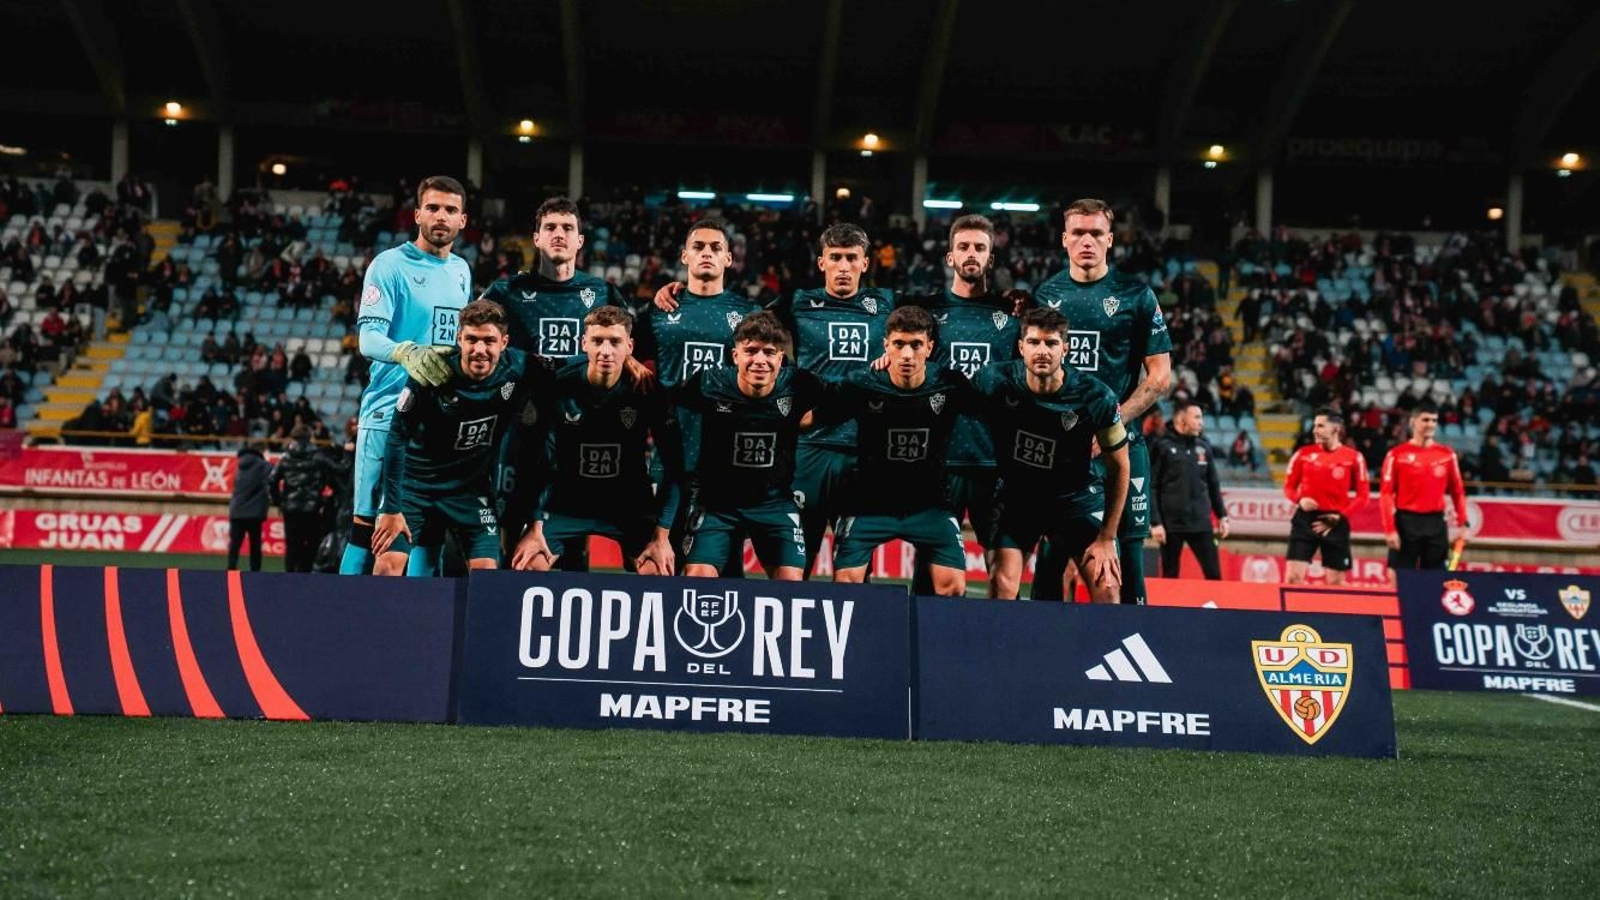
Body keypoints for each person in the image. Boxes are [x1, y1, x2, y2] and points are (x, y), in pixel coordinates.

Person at [1032, 198, 1172, 604]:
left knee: (1127, 559)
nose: (1087, 241)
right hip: (1061, 451)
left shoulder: (1136, 295)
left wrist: (1111, 422)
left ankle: (1132, 655)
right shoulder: (1047, 294)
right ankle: (1041, 655)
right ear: (1064, 239)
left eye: (1096, 233)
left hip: (1123, 448)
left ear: (1110, 240)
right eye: (1078, 233)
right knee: (1052, 554)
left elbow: (1159, 378)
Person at [339, 175, 474, 575]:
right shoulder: (390, 265)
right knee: (368, 528)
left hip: (437, 419)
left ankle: (416, 626)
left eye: (450, 210)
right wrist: (404, 350)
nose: (440, 216)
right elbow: (368, 339)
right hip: (388, 414)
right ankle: (340, 625)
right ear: (417, 214)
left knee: (427, 529)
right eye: (432, 207)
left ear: (463, 220)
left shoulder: (462, 271)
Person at [509, 306, 681, 575]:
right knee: (527, 566)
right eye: (598, 341)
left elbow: (673, 464)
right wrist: (533, 525)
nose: (605, 351)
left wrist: (661, 535)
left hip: (628, 504)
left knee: (657, 572)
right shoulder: (556, 383)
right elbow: (533, 456)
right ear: (584, 344)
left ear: (630, 346)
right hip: (565, 503)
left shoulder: (648, 390)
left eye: (615, 342)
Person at [972, 308, 1129, 602]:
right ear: (1021, 347)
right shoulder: (994, 379)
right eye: (1033, 342)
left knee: (1108, 589)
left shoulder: (1095, 396)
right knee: (1001, 586)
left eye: (1051, 343)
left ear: (1065, 348)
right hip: (1017, 502)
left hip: (1075, 502)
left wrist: (1107, 537)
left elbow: (1120, 466)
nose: (1042, 351)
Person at [632, 219, 763, 572]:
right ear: (685, 256)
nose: (707, 253)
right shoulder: (657, 311)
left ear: (729, 260)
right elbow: (625, 351)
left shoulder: (749, 315)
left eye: (716, 248)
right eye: (700, 247)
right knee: (657, 566)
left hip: (725, 463)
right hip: (669, 454)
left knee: (723, 571)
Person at [899, 214, 1020, 595]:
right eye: (964, 247)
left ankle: (1000, 652)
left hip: (995, 465)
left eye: (980, 248)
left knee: (1004, 581)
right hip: (939, 465)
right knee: (937, 584)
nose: (971, 254)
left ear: (990, 258)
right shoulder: (925, 315)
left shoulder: (1011, 319)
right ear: (950, 257)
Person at [371, 299, 531, 576]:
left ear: (504, 342)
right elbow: (397, 437)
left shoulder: (519, 368)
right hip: (415, 489)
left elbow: (569, 369)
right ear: (459, 339)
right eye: (471, 339)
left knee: (488, 574)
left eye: (489, 341)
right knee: (387, 567)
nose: (480, 350)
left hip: (471, 492)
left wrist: (626, 362)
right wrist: (391, 508)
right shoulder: (433, 371)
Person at [828, 305, 978, 596]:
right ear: (886, 345)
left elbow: (996, 414)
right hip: (869, 503)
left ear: (930, 347)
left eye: (916, 345)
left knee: (953, 587)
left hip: (930, 504)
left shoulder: (950, 384)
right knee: (846, 583)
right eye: (899, 344)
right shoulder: (862, 383)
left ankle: (934, 641)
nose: (907, 355)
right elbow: (812, 416)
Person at [674, 312, 826, 581]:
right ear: (735, 356)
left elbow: (845, 401)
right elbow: (662, 405)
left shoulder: (801, 384)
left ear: (781, 359)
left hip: (774, 504)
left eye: (769, 352)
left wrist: (803, 422)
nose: (760, 360)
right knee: (697, 579)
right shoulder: (708, 383)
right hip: (717, 505)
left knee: (792, 584)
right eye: (751, 351)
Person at [1379, 401, 1468, 579]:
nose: (1430, 425)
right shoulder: (1396, 454)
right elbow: (1386, 494)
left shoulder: (1447, 455)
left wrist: (1463, 523)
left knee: (1436, 582)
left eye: (1434, 420)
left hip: (1436, 524)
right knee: (1398, 580)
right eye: (1425, 420)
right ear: (1413, 421)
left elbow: (1457, 491)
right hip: (1406, 522)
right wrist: (1389, 529)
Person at [1282, 408, 1369, 585]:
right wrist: (1300, 500)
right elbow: (1289, 487)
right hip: (1305, 521)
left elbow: (1363, 496)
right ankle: (1294, 613)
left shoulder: (1354, 457)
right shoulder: (1303, 454)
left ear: (1336, 428)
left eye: (1320, 426)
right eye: (1314, 426)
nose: (1315, 430)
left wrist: (1341, 517)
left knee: (1336, 583)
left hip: (1336, 522)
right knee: (1292, 579)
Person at [1148, 399, 1229, 580]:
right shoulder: (1162, 446)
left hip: (1201, 523)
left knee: (1214, 576)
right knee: (1170, 577)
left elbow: (1213, 484)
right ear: (1181, 420)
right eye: (1197, 417)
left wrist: (1222, 515)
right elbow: (1152, 486)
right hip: (1171, 526)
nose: (1201, 422)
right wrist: (1155, 522)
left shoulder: (1204, 447)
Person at [270, 424, 337, 573]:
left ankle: (289, 577)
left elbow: (272, 480)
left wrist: (279, 501)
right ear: (309, 437)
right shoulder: (318, 456)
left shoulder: (285, 457)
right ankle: (305, 574)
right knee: (312, 544)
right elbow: (333, 474)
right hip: (312, 507)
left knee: (292, 545)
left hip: (291, 507)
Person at [228, 442, 273, 572]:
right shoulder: (262, 465)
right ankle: (255, 572)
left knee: (235, 544)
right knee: (255, 545)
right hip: (253, 512)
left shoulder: (240, 465)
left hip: (237, 511)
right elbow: (276, 472)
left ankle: (230, 570)